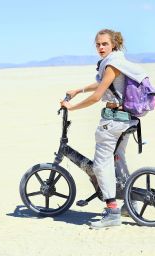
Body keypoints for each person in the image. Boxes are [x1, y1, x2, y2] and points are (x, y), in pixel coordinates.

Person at [60, 29, 145, 229]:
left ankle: (112, 211)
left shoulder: (112, 64)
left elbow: (98, 95)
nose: (100, 47)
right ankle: (131, 202)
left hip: (113, 123)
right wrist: (78, 90)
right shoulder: (117, 61)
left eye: (104, 44)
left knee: (101, 165)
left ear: (113, 44)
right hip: (127, 120)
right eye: (98, 44)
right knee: (118, 159)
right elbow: (104, 83)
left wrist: (72, 106)